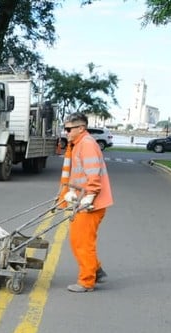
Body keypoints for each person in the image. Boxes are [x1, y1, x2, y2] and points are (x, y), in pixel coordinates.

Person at [56, 112, 114, 292]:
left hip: (91, 203)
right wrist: (71, 192)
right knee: (79, 240)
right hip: (84, 200)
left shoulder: (86, 145)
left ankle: (87, 281)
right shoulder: (78, 144)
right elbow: (78, 174)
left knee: (82, 242)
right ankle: (96, 270)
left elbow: (93, 173)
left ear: (81, 128)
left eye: (68, 129)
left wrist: (89, 196)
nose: (66, 132)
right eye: (65, 129)